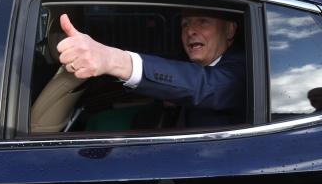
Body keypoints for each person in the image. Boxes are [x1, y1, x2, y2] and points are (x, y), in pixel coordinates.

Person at [56, 9, 245, 128]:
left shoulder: (242, 70)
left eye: (202, 21)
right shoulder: (192, 62)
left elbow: (205, 86)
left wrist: (111, 59)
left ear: (229, 30)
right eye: (185, 24)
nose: (190, 31)